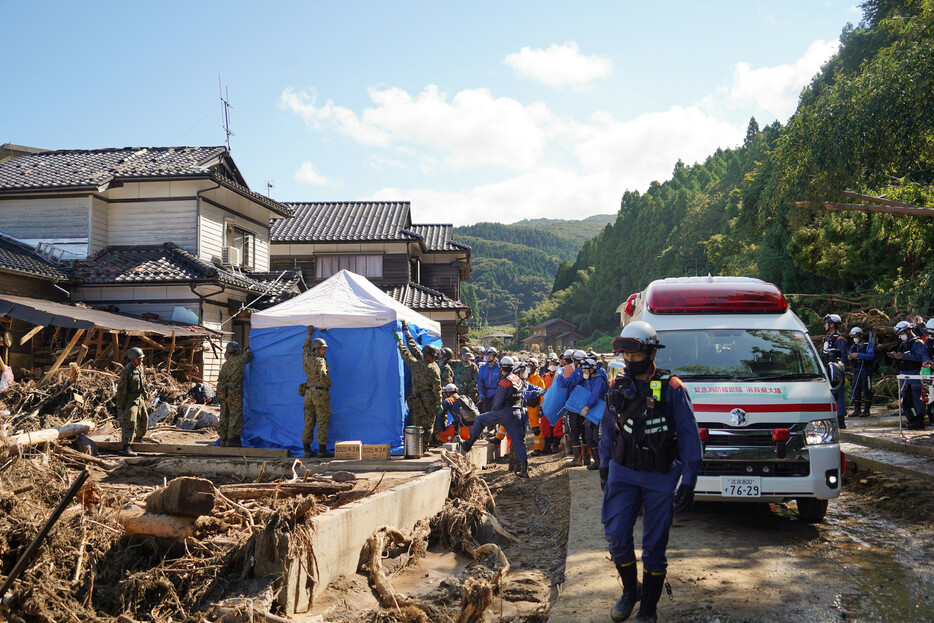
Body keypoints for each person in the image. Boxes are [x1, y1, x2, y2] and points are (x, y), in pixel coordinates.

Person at [599, 321, 702, 623]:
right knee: (616, 537)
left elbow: (689, 436)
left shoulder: (673, 389)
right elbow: (607, 428)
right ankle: (631, 591)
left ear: (652, 352)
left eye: (635, 355)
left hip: (660, 475)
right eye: (625, 357)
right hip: (623, 471)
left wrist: (689, 481)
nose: (629, 362)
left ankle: (648, 610)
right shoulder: (616, 384)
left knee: (654, 546)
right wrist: (604, 465)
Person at [462, 356, 536, 478]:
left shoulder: (505, 381)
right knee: (519, 442)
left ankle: (469, 443)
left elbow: (498, 401)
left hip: (505, 413)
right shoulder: (517, 379)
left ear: (501, 367)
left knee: (480, 419)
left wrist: (495, 413)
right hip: (518, 413)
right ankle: (525, 469)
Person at [396, 321, 443, 440]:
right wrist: (439, 402)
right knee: (427, 425)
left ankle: (416, 446)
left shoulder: (416, 364)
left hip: (415, 398)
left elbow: (408, 352)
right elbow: (437, 387)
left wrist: (401, 340)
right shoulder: (433, 368)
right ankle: (424, 447)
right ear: (433, 356)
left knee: (416, 423)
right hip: (428, 400)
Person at [890, 320, 927, 430]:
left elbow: (921, 357)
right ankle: (912, 419)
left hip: (914, 374)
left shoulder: (917, 343)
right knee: (906, 399)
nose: (901, 336)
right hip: (903, 375)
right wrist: (896, 356)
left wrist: (904, 357)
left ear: (908, 331)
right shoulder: (903, 344)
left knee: (915, 398)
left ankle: (919, 420)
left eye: (902, 334)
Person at [215, 341, 253, 447]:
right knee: (235, 414)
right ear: (237, 352)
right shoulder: (239, 360)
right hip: (234, 391)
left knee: (224, 413)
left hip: (223, 391)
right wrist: (247, 350)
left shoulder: (225, 364)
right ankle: (233, 439)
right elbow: (249, 356)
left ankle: (223, 438)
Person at [303, 327, 333, 458]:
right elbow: (323, 375)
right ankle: (322, 450)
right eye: (323, 348)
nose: (325, 351)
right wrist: (328, 384)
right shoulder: (320, 360)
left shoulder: (307, 358)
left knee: (309, 421)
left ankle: (307, 449)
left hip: (308, 393)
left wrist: (309, 335)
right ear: (316, 349)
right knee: (322, 420)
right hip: (320, 393)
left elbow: (304, 349)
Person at [114, 347, 149, 457]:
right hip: (130, 399)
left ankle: (139, 438)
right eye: (139, 359)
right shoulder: (127, 371)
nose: (141, 360)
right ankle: (126, 446)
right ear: (132, 359)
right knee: (130, 421)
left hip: (139, 398)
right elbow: (121, 389)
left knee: (144, 418)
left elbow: (142, 382)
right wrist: (120, 404)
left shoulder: (140, 367)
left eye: (141, 358)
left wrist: (145, 394)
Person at [821, 314, 849, 429]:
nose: (825, 325)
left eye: (827, 323)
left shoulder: (839, 339)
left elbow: (843, 356)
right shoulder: (828, 339)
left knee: (838, 394)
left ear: (832, 325)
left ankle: (841, 419)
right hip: (826, 369)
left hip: (835, 370)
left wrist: (838, 369)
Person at [538, 352, 564, 454]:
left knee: (557, 425)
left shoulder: (560, 376)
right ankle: (547, 446)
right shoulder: (544, 376)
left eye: (554, 363)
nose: (552, 365)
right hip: (546, 403)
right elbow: (540, 390)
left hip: (557, 403)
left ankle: (556, 446)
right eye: (550, 363)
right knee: (545, 425)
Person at [847, 327, 874, 418]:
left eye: (856, 336)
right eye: (853, 336)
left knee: (867, 389)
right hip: (857, 370)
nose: (855, 338)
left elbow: (870, 356)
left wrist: (859, 355)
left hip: (866, 370)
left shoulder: (867, 345)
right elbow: (850, 355)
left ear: (861, 336)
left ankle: (867, 410)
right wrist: (850, 357)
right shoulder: (853, 346)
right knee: (856, 389)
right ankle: (857, 409)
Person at [525, 358, 547, 456]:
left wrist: (541, 407)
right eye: (527, 366)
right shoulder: (523, 377)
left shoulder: (539, 380)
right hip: (523, 407)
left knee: (536, 429)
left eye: (529, 366)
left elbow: (542, 394)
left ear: (534, 367)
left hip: (533, 408)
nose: (527, 368)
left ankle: (537, 449)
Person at [477, 347, 501, 413]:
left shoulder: (499, 368)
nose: (488, 357)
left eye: (490, 355)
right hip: (485, 394)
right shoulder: (483, 367)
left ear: (495, 356)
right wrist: (480, 393)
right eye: (487, 355)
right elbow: (480, 381)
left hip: (495, 393)